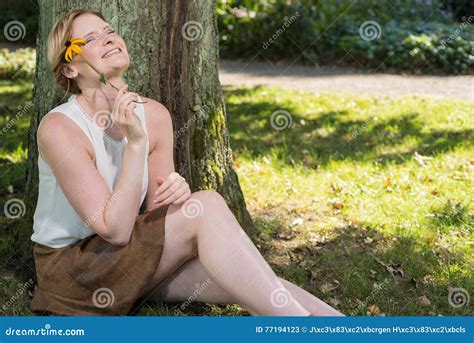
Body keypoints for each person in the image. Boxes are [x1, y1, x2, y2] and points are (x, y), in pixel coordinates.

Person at [30, 8, 344, 316]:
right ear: (70, 69)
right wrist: (136, 144)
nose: (109, 39)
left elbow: (156, 217)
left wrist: (176, 193)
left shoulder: (152, 115)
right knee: (205, 206)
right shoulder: (61, 129)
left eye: (110, 31)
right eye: (91, 39)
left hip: (126, 260)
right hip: (73, 271)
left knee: (256, 282)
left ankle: (338, 327)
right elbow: (115, 230)